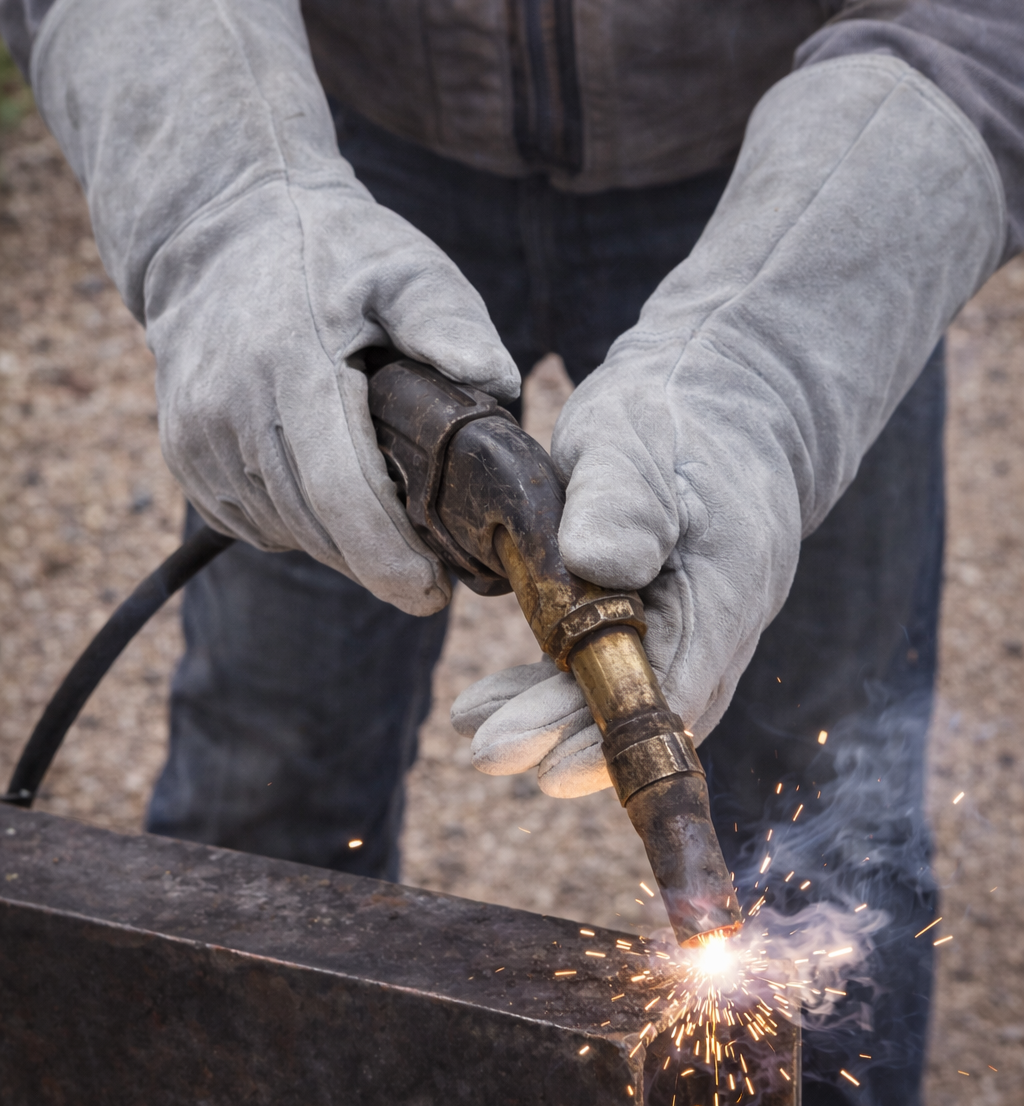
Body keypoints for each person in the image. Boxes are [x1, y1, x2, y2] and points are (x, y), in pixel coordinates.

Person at [2, 1, 1021, 1101]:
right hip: (341, 142)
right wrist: (223, 197)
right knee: (266, 784)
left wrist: (780, 355)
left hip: (815, 165)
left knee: (822, 830)